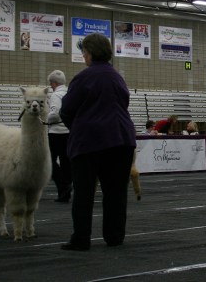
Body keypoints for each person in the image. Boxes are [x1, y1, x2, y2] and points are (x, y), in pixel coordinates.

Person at [59, 33, 137, 251]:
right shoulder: (117, 77)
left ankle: (81, 238)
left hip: (90, 141)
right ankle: (114, 235)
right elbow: (124, 103)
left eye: (84, 52)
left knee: (84, 192)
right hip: (121, 139)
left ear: (90, 53)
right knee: (116, 192)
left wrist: (78, 128)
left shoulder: (84, 77)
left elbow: (66, 109)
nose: (83, 56)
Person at [47, 70, 72, 203]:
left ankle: (63, 185)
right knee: (66, 162)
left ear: (54, 83)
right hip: (68, 132)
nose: (50, 85)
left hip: (56, 132)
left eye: (51, 83)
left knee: (49, 162)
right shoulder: (69, 93)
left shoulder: (56, 95)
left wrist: (45, 120)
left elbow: (54, 113)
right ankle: (65, 193)